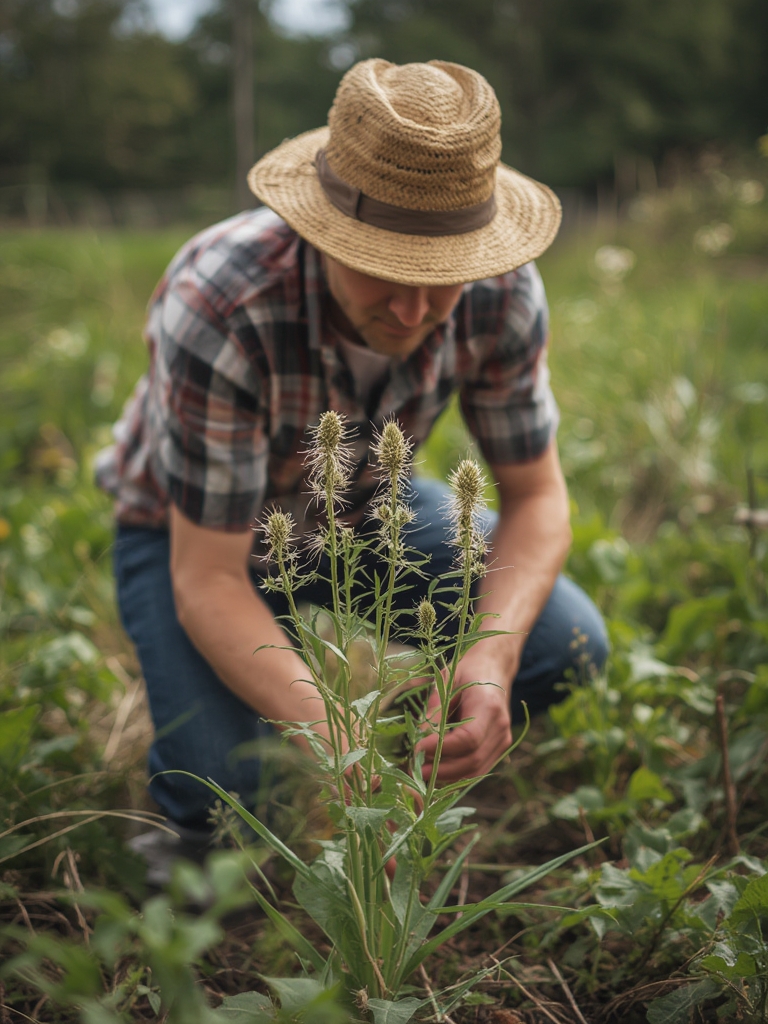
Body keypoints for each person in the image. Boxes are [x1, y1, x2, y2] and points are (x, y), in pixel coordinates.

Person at [96, 58, 607, 876]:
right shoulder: (223, 301)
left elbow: (538, 495)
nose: (414, 310)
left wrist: (487, 657)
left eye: (440, 278)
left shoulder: (504, 289)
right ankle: (193, 835)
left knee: (562, 644)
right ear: (321, 227)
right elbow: (209, 578)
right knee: (229, 787)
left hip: (367, 510)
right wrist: (329, 734)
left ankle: (405, 759)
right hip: (194, 538)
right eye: (384, 266)